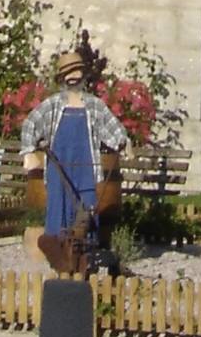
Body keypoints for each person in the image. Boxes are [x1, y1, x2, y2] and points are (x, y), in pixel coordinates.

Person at [20, 43, 126, 271]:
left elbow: (113, 128)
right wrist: (28, 152)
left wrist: (122, 142)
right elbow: (30, 125)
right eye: (68, 73)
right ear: (62, 78)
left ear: (83, 75)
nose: (73, 77)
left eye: (76, 71)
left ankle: (86, 253)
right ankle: (57, 253)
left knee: (86, 208)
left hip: (86, 169)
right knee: (58, 206)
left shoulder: (94, 106)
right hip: (59, 168)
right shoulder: (52, 105)